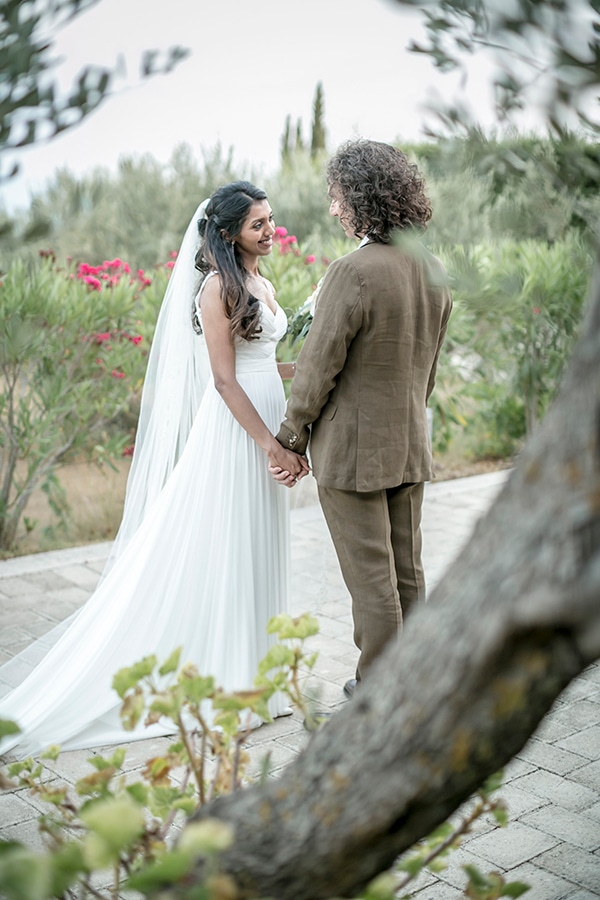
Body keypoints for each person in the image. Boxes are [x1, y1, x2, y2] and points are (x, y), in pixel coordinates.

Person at [0, 181, 307, 757]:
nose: (270, 231)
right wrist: (270, 444)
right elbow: (223, 379)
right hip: (237, 432)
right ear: (227, 232)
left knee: (259, 545)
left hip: (269, 415)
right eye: (257, 224)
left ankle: (260, 680)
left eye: (270, 219)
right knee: (230, 549)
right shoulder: (216, 288)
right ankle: (226, 690)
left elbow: (266, 364)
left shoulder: (261, 282)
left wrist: (315, 365)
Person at [271, 140, 452, 700]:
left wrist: (289, 436)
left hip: (352, 452)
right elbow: (428, 368)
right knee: (406, 571)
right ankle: (414, 677)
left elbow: (318, 369)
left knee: (371, 578)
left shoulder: (353, 271)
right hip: (407, 443)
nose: (334, 210)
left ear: (360, 197)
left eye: (337, 198)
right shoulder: (433, 268)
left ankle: (379, 692)